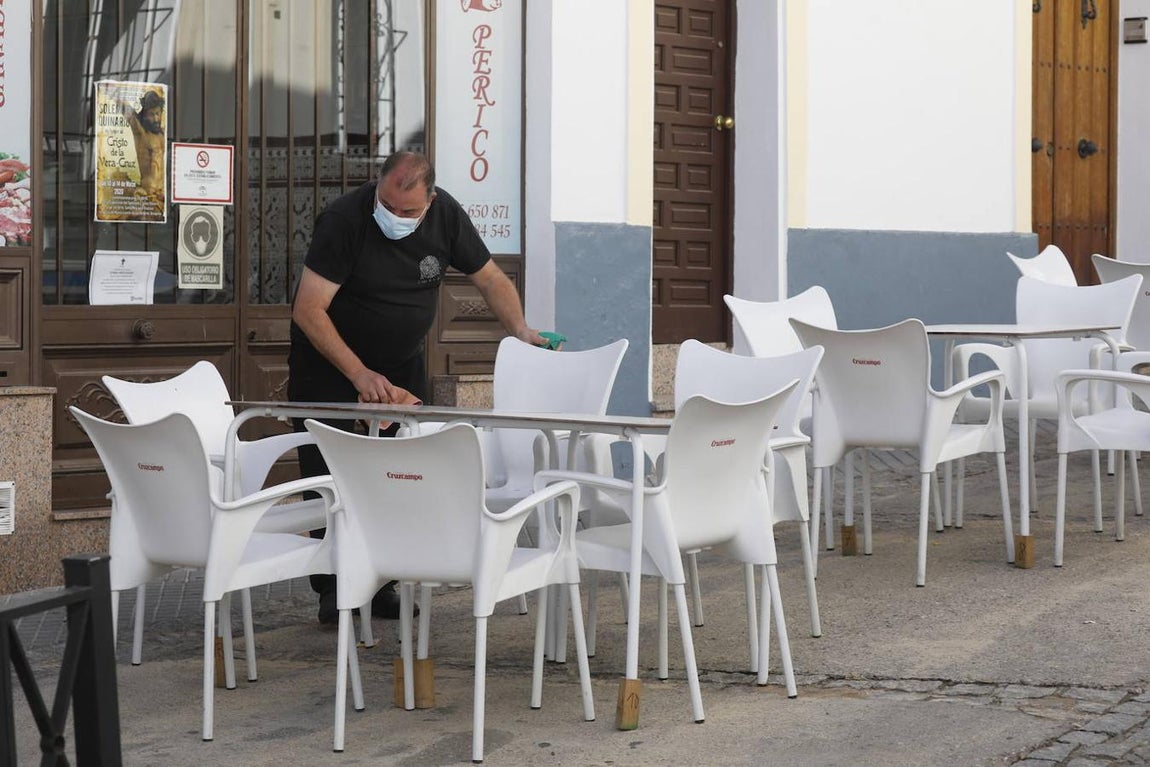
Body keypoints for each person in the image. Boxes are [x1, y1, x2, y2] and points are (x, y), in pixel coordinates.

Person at [288, 150, 547, 625]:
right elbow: (308, 310)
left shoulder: (445, 214)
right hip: (331, 366)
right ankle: (333, 587)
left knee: (396, 475)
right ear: (377, 186)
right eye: (387, 205)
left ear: (429, 199)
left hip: (401, 367)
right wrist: (359, 374)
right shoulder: (344, 219)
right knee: (333, 480)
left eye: (408, 211)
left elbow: (489, 278)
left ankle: (384, 580)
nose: (396, 217)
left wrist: (521, 329)